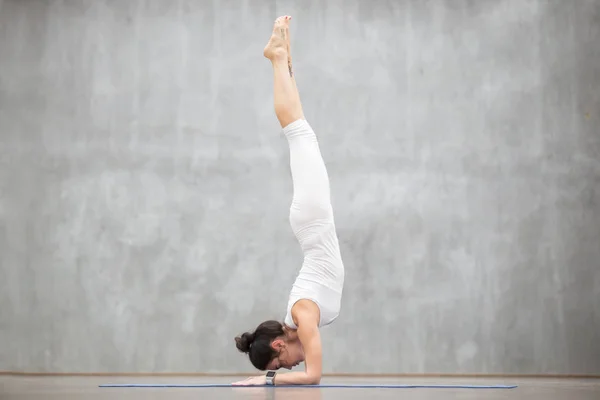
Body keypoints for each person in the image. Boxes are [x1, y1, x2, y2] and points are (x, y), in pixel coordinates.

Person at [232, 15, 345, 386]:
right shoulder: (301, 317)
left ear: (279, 343)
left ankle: (278, 57)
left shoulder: (303, 315)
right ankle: (282, 56)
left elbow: (313, 377)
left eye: (280, 365)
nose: (289, 368)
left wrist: (266, 381)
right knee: (301, 133)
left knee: (298, 133)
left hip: (312, 220)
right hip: (311, 221)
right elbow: (311, 374)